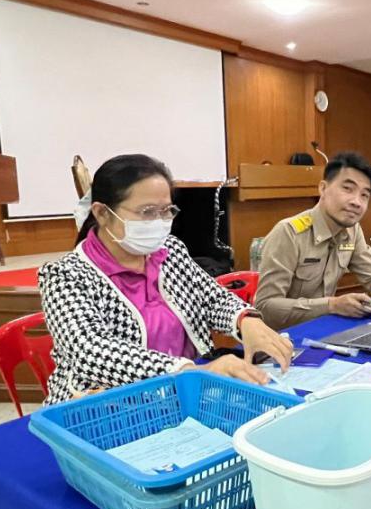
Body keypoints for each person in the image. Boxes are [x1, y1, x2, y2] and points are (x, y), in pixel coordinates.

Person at [39, 154, 293, 405]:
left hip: (184, 395)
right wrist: (188, 372)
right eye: (147, 212)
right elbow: (92, 352)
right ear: (102, 213)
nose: (159, 222)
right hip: (107, 405)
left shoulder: (169, 251)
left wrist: (244, 320)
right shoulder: (65, 275)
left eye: (166, 211)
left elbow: (212, 298)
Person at [254, 152, 371, 330]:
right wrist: (331, 305)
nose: (357, 202)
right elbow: (266, 306)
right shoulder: (288, 233)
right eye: (347, 189)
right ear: (323, 188)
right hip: (283, 336)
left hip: (323, 329)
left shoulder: (352, 230)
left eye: (364, 195)